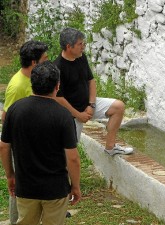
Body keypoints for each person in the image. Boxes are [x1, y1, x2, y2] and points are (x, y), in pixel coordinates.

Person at [0, 61, 81, 225]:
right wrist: (76, 186)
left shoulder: (15, 110)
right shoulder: (63, 116)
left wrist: (10, 176)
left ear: (32, 83)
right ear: (57, 86)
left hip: (25, 187)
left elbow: (3, 146)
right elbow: (72, 158)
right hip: (55, 189)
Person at [53, 27, 133, 156]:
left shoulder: (81, 57)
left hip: (88, 105)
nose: (83, 47)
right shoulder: (57, 67)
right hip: (71, 114)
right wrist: (79, 115)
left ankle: (110, 147)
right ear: (69, 47)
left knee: (118, 107)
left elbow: (91, 81)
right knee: (69, 151)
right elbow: (58, 98)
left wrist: (91, 105)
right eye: (80, 44)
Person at [1, 40, 48, 225]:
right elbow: (7, 117)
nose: (48, 61)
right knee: (18, 188)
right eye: (45, 58)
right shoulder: (17, 86)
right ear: (34, 63)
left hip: (35, 144)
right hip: (20, 146)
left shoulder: (34, 80)